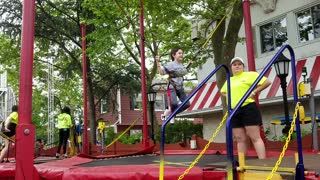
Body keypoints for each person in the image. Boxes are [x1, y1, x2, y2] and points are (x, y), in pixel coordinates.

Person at [220, 57, 271, 159]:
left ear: (243, 66)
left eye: (239, 64)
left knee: (254, 136)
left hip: (248, 107)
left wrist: (254, 92)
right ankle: (242, 162)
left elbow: (267, 82)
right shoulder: (229, 80)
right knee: (240, 138)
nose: (237, 66)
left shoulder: (250, 75)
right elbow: (222, 91)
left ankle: (263, 161)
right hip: (234, 110)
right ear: (231, 67)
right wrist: (232, 97)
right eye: (234, 64)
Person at [156, 47, 192, 117]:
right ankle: (170, 109)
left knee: (187, 104)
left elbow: (184, 72)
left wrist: (189, 65)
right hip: (172, 87)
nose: (181, 55)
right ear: (174, 55)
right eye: (179, 53)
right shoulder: (170, 64)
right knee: (174, 104)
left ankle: (172, 113)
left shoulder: (182, 66)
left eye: (182, 53)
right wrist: (157, 62)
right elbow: (161, 72)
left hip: (180, 88)